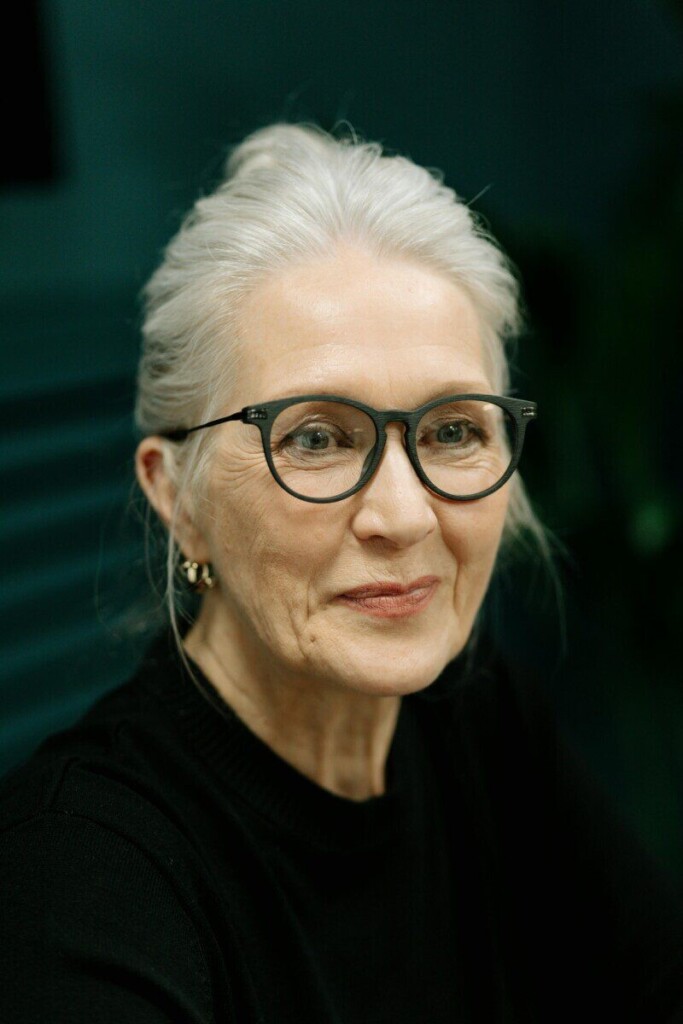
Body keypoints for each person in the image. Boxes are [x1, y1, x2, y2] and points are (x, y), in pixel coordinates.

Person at [1, 121, 682, 1023]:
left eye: (451, 430)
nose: (402, 517)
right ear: (179, 497)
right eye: (315, 439)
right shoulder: (83, 878)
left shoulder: (474, 715)